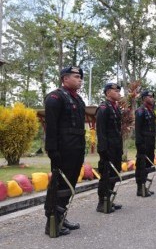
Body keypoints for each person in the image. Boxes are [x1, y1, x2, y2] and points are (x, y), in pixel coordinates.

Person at [44, 66, 85, 237]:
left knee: (70, 184)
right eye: (76, 76)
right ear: (64, 78)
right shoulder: (55, 97)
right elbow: (51, 127)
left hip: (76, 149)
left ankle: (61, 215)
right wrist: (53, 150)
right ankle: (52, 222)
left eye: (80, 77)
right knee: (59, 185)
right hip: (63, 150)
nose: (80, 79)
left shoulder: (78, 100)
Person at [96, 83, 123, 212]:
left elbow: (118, 131)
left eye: (119, 90)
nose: (118, 92)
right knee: (106, 174)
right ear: (107, 93)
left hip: (116, 146)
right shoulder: (103, 108)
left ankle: (109, 200)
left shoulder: (116, 108)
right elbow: (100, 131)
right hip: (107, 148)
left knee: (114, 173)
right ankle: (102, 203)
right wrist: (103, 149)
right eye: (115, 90)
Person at [134, 90, 156, 197]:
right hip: (143, 141)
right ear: (143, 98)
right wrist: (139, 143)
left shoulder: (151, 111)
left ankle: (144, 186)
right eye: (150, 96)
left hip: (150, 141)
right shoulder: (140, 111)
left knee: (149, 164)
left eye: (153, 97)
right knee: (141, 165)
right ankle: (140, 188)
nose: (152, 98)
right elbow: (137, 129)